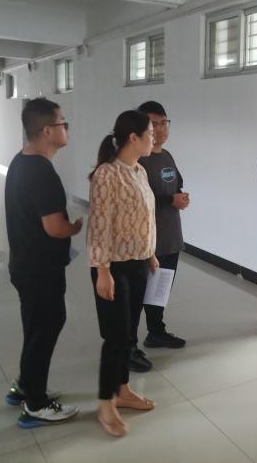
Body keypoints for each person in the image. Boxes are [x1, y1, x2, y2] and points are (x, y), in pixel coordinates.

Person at [5, 97, 82, 428]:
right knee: (47, 326)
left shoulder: (21, 161)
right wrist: (74, 228)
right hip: (40, 269)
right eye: (63, 123)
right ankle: (35, 404)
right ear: (47, 131)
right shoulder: (42, 172)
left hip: (24, 265)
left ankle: (25, 385)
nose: (67, 128)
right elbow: (54, 228)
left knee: (35, 327)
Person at [87, 110, 158, 437]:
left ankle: (122, 390)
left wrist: (150, 252)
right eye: (150, 133)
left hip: (137, 262)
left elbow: (145, 216)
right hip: (113, 266)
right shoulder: (107, 174)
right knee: (115, 337)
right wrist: (102, 271)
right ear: (133, 138)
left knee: (128, 334)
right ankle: (106, 403)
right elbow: (99, 226)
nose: (154, 138)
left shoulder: (139, 170)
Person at [134, 101, 189, 365]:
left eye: (164, 122)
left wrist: (181, 196)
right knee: (139, 292)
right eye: (153, 124)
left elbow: (176, 184)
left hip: (170, 235)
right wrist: (170, 200)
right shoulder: (137, 160)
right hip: (147, 240)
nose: (160, 129)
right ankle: (128, 345)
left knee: (160, 289)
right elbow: (136, 199)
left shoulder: (166, 156)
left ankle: (156, 332)